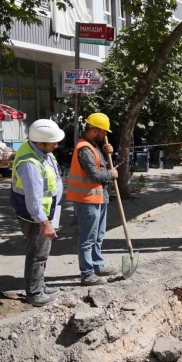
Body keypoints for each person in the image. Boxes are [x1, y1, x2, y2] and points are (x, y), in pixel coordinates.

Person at [10, 119, 65, 307]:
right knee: (37, 253)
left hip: (46, 211)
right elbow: (33, 202)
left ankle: (40, 285)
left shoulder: (40, 150)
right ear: (40, 143)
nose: (56, 145)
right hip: (35, 216)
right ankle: (34, 293)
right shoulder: (29, 163)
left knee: (43, 251)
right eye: (53, 143)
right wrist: (45, 223)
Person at [67, 113, 119, 286]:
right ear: (94, 130)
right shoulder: (84, 149)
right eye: (104, 132)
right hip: (87, 200)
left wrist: (106, 153)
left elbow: (100, 166)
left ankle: (97, 265)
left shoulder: (94, 146)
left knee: (98, 236)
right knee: (88, 238)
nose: (106, 135)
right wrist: (111, 174)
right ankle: (87, 273)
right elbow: (95, 175)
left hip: (99, 199)